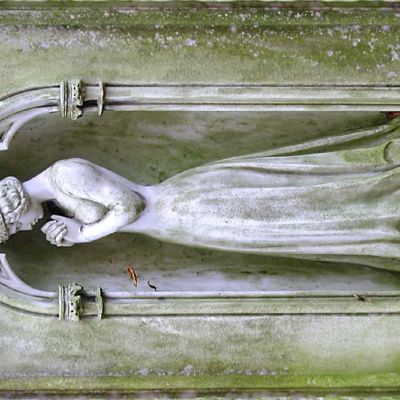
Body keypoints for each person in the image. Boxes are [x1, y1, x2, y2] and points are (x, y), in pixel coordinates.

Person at [2, 117, 400, 271]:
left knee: (283, 210)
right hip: (179, 224)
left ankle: (382, 206)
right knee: (284, 228)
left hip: (187, 206)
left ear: (13, 208)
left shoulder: (64, 174)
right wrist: (72, 229)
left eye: (14, 227)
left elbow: (131, 205)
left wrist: (83, 234)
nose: (23, 231)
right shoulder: (58, 197)